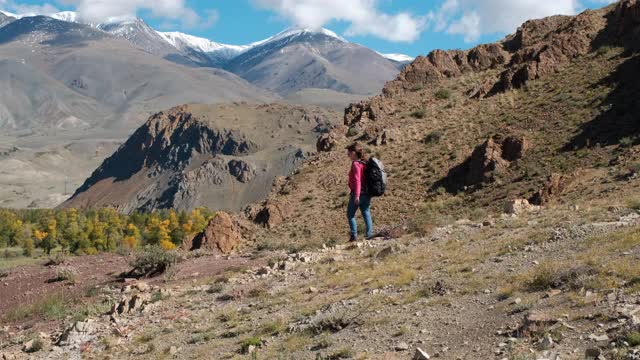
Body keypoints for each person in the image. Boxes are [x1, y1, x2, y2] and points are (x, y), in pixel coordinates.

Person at [346, 143, 373, 242]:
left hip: (359, 193)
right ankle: (369, 234)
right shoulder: (364, 163)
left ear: (353, 153)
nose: (347, 155)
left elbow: (358, 180)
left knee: (350, 214)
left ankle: (354, 236)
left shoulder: (356, 164)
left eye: (348, 153)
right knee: (366, 212)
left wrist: (356, 195)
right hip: (367, 193)